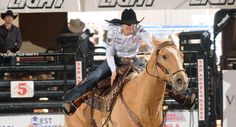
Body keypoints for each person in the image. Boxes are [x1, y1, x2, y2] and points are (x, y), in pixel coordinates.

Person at [62, 9, 195, 115]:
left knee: (154, 75)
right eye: (129, 24)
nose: (132, 27)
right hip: (114, 60)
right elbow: (109, 53)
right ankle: (71, 99)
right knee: (96, 76)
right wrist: (113, 71)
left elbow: (150, 43)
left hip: (133, 60)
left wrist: (158, 48)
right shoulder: (113, 31)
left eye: (134, 24)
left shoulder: (140, 30)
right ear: (123, 24)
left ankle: (184, 97)